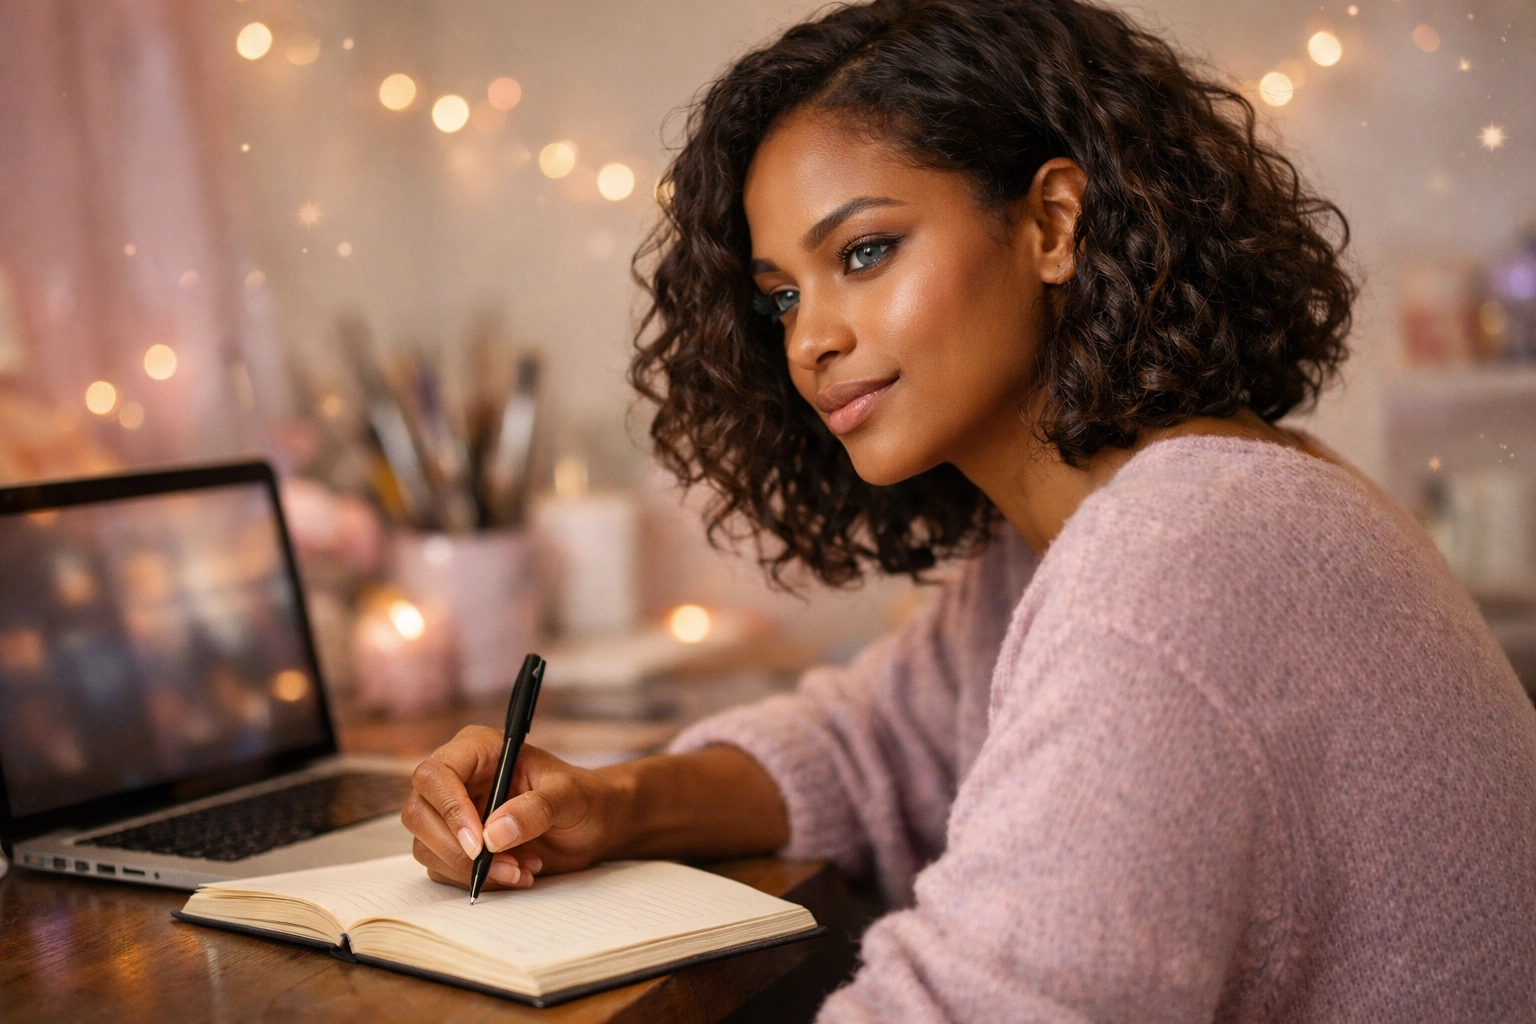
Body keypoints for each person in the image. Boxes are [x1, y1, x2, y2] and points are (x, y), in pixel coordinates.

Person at [401, 0, 1536, 1018]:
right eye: (784, 294)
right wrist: (610, 802)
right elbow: (876, 744)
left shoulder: (1181, 557)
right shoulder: (1099, 524)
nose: (811, 338)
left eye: (866, 250)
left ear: (1051, 224)